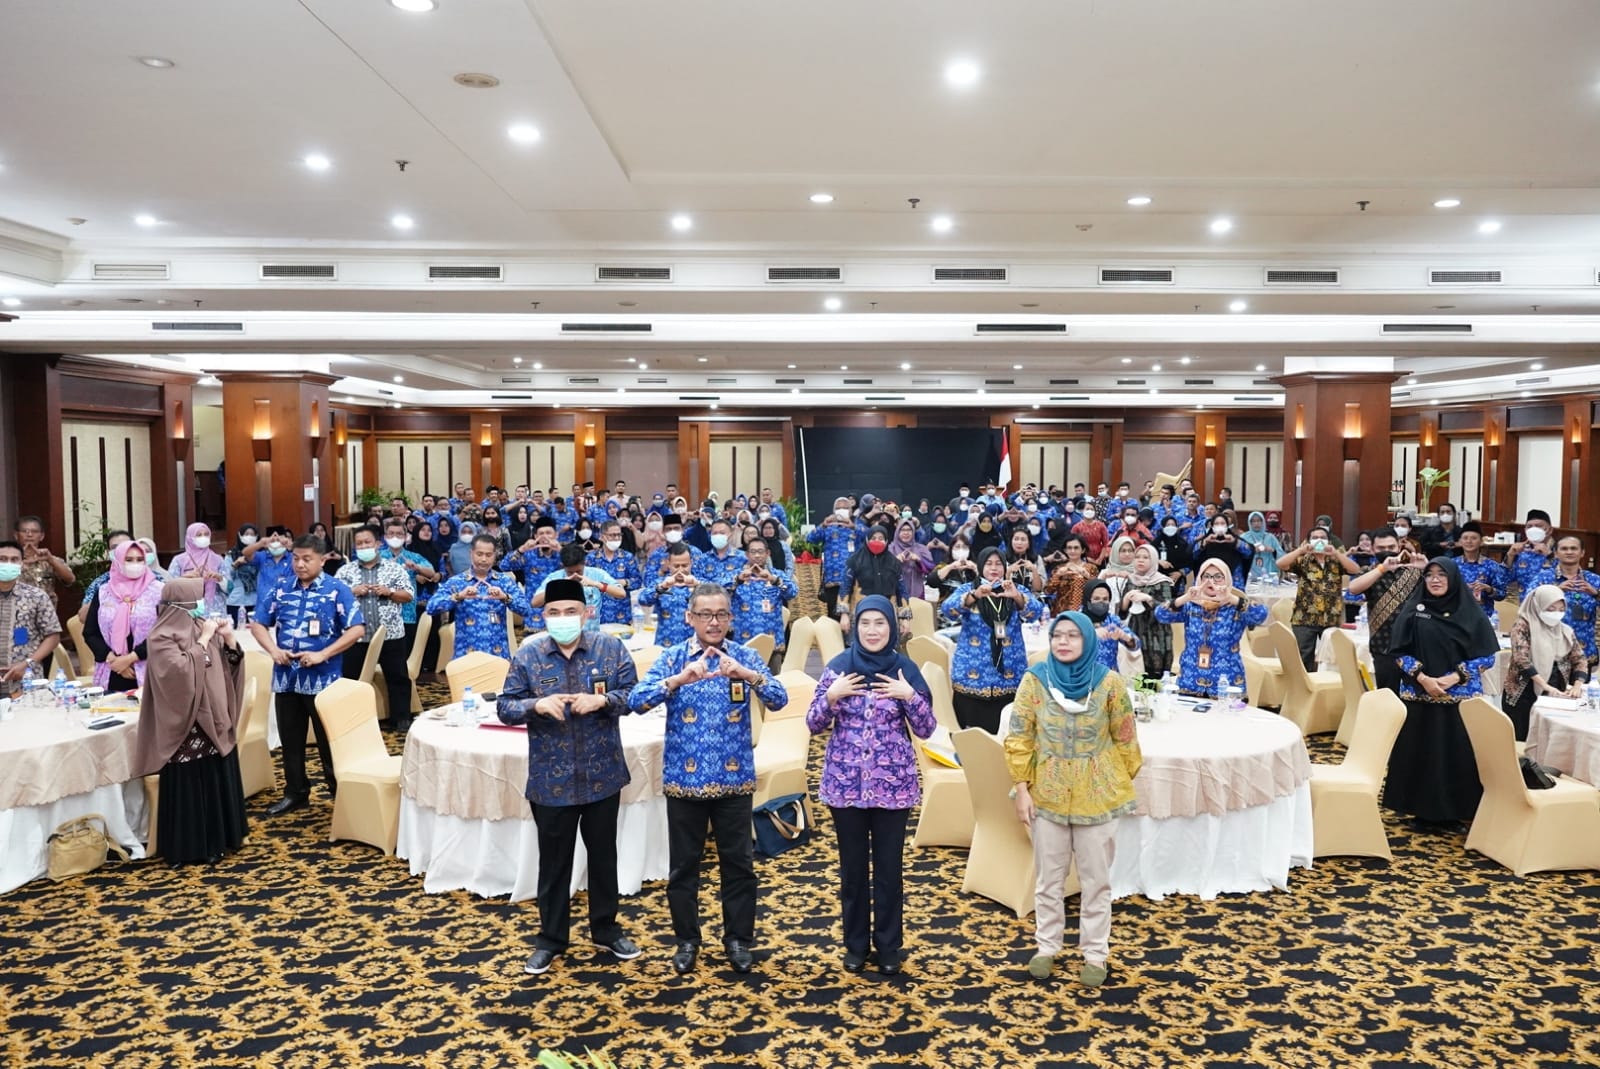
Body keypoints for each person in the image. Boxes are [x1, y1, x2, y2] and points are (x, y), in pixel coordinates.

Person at [631, 582, 788, 975]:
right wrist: (678, 680)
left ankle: (738, 940)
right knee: (684, 868)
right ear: (690, 618)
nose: (713, 622)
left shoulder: (744, 656)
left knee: (740, 865)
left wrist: (748, 675)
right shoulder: (674, 658)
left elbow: (780, 699)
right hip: (684, 781)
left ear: (731, 618)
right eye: (705, 614)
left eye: (721, 614)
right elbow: (637, 700)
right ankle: (687, 940)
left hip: (734, 780)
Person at [494, 578, 642, 975]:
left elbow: (634, 695)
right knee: (554, 863)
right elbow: (505, 707)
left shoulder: (610, 649)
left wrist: (604, 700)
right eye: (554, 613)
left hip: (602, 774)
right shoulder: (529, 655)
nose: (562, 618)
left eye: (570, 611)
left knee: (604, 856)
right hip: (551, 779)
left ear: (586, 613)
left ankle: (606, 929)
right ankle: (552, 938)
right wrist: (536, 705)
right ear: (544, 616)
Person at [1005, 611, 1141, 988]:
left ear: (1087, 640)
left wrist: (1110, 780)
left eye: (1072, 635)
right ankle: (1046, 946)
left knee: (1096, 880)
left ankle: (1095, 953)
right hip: (1046, 791)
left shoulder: (1109, 683)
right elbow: (1019, 736)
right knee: (1049, 878)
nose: (1063, 642)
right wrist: (1022, 788)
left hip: (1097, 793)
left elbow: (1126, 739)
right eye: (1057, 635)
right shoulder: (1035, 680)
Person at [806, 595, 936, 975]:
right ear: (855, 626)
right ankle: (856, 945)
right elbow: (813, 723)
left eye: (880, 623)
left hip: (893, 787)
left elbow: (927, 729)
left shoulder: (904, 670)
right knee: (853, 871)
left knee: (889, 871)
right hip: (845, 785)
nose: (873, 630)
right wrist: (831, 697)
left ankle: (889, 946)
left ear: (892, 627)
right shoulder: (838, 667)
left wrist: (909, 697)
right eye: (865, 623)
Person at [134, 578, 249, 864]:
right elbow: (177, 672)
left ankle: (222, 839)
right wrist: (204, 641)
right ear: (182, 603)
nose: (201, 605)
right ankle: (192, 847)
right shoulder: (161, 636)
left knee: (215, 775)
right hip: (187, 723)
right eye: (196, 599)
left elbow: (225, 665)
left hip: (214, 718)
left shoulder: (200, 626)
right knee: (191, 783)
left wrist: (228, 639)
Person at [249, 536, 365, 815]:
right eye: (296, 558)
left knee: (329, 741)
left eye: (307, 559)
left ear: (322, 560)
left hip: (323, 679)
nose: (300, 564)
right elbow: (258, 624)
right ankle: (296, 792)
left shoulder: (337, 589)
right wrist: (273, 650)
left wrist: (323, 654)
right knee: (291, 739)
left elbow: (356, 629)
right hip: (286, 678)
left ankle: (339, 793)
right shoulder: (281, 588)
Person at [1385, 557, 1502, 829]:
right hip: (1419, 694)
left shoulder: (1471, 612)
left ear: (1454, 578)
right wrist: (1423, 678)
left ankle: (1456, 812)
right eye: (1429, 574)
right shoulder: (1414, 610)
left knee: (1456, 753)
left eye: (1442, 574)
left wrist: (1453, 678)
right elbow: (1398, 651)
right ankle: (1420, 811)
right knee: (1421, 751)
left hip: (1460, 698)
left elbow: (1487, 656)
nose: (1435, 579)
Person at [939, 547, 1046, 733]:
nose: (994, 568)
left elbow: (1035, 613)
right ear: (981, 566)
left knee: (1007, 732)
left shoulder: (1014, 589)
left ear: (1005, 567)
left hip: (1009, 674)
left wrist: (1017, 597)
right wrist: (974, 596)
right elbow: (948, 610)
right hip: (972, 674)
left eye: (998, 564)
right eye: (988, 564)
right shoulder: (969, 589)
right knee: (971, 735)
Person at [335, 525, 416, 731]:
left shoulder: (394, 568)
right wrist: (352, 591)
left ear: (377, 544)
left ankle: (401, 718)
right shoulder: (345, 571)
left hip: (390, 634)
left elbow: (408, 595)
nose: (364, 547)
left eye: (367, 543)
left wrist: (390, 592)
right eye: (359, 544)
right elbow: (333, 599)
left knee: (397, 677)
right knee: (350, 680)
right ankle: (352, 723)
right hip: (355, 636)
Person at [1155, 558, 1267, 698]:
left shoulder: (1235, 607)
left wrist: (1232, 598)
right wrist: (1186, 597)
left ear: (1227, 580)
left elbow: (1260, 615)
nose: (1211, 581)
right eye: (1206, 576)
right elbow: (1161, 614)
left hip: (1226, 682)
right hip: (1191, 680)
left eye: (1218, 577)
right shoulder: (1191, 605)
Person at [1503, 585, 1590, 741]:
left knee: (1550, 736)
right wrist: (1544, 686)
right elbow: (1521, 659)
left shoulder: (1565, 630)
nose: (1556, 614)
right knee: (1523, 736)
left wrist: (1577, 686)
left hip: (1556, 690)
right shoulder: (1523, 625)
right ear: (1538, 606)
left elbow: (1580, 659)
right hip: (1525, 689)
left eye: (1561, 609)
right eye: (1550, 609)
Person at [1348, 527, 1428, 694]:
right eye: (1381, 548)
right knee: (1388, 696)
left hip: (1415, 645)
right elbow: (1353, 588)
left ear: (1399, 546)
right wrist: (1382, 569)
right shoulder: (1370, 572)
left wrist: (1426, 569)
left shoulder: (1414, 570)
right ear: (1372, 549)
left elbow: (1443, 591)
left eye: (1391, 547)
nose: (1387, 551)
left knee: (1415, 697)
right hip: (1383, 646)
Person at [426, 534, 531, 660]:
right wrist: (459, 596)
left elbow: (526, 609)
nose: (483, 559)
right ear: (471, 554)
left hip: (497, 655)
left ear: (495, 556)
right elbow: (431, 608)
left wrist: (505, 597)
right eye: (479, 554)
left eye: (488, 555)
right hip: (466, 655)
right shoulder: (457, 582)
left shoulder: (504, 581)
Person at [1276, 525, 1362, 671]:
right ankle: (1304, 684)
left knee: (1332, 657)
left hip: (1331, 617)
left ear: (1329, 541)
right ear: (1309, 541)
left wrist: (1337, 553)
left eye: (1323, 538)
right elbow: (1280, 564)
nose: (1319, 540)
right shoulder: (1303, 559)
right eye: (1315, 538)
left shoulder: (1335, 560)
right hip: (1305, 617)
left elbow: (1355, 569)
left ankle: (1327, 683)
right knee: (1303, 657)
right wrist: (1301, 550)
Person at [83, 540, 164, 692]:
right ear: (118, 561)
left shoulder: (159, 591)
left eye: (140, 559)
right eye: (129, 560)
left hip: (149, 666)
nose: (135, 564)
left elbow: (164, 631)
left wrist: (130, 658)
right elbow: (90, 633)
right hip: (112, 670)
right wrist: (114, 661)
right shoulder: (103, 592)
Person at [0, 539, 61, 692]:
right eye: (2, 559)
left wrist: (28, 663)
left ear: (22, 564)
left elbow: (53, 635)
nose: (8, 564)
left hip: (26, 681)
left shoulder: (37, 596)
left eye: (14, 560)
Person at [1533, 535, 1600, 668]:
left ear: (1582, 553)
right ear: (1556, 553)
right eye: (1564, 549)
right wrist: (1555, 590)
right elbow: (1528, 603)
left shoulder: (1594, 580)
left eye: (1573, 548)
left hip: (1583, 649)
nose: (1569, 552)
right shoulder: (1543, 577)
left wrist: (1596, 594)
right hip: (1550, 650)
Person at [729, 538, 796, 668]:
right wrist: (738, 580)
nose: (757, 556)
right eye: (753, 552)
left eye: (760, 552)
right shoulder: (737, 575)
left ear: (767, 553)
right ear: (747, 554)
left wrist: (774, 580)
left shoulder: (777, 575)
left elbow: (792, 592)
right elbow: (721, 590)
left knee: (773, 678)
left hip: (772, 643)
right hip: (743, 643)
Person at [531, 542, 628, 631]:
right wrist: (559, 585)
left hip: (591, 632)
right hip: (563, 632)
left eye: (578, 571)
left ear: (584, 563)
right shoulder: (554, 577)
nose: (575, 575)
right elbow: (535, 603)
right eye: (570, 572)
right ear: (563, 566)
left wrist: (596, 584)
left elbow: (621, 593)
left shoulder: (597, 574)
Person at [1120, 544, 1175, 680]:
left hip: (1157, 632)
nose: (1140, 560)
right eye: (1137, 557)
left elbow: (1168, 610)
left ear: (1154, 560)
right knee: (1136, 673)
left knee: (1154, 675)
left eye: (1145, 557)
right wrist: (1126, 599)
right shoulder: (1131, 580)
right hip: (1136, 628)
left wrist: (1148, 599)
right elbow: (1122, 613)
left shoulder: (1162, 581)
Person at [808, 498, 866, 620]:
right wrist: (823, 525)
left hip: (853, 579)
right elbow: (810, 538)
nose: (842, 510)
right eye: (839, 508)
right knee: (834, 616)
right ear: (834, 511)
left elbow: (869, 535)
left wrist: (853, 526)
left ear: (851, 511)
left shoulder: (857, 525)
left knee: (853, 615)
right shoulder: (828, 527)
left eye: (845, 508)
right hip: (832, 581)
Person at [639, 542, 700, 647]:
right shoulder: (661, 583)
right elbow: (643, 599)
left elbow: (718, 596)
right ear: (668, 563)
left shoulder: (700, 583)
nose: (680, 570)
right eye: (676, 566)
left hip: (693, 645)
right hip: (665, 644)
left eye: (684, 565)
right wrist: (662, 587)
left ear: (691, 563)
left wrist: (698, 585)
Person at [841, 526, 904, 627]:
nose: (877, 541)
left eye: (881, 538)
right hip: (860, 613)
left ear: (886, 541)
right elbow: (845, 587)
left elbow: (902, 590)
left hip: (887, 613)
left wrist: (904, 618)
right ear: (867, 539)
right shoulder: (855, 561)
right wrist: (844, 614)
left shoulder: (894, 563)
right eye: (873, 538)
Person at [166, 522, 233, 617]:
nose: (203, 537)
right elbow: (169, 588)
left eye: (206, 534)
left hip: (215, 611)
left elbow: (230, 588)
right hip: (188, 611)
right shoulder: (179, 560)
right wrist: (185, 578)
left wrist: (220, 579)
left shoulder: (217, 559)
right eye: (199, 535)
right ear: (190, 537)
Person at [588, 520, 643, 625]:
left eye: (619, 535)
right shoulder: (592, 558)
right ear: (602, 537)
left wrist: (625, 582)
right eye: (612, 535)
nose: (616, 538)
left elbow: (638, 581)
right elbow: (586, 583)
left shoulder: (627, 557)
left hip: (623, 613)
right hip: (599, 614)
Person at [78, 530, 137, 624]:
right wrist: (105, 594)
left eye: (125, 546)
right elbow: (83, 618)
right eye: (115, 547)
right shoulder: (100, 583)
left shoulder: (154, 579)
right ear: (109, 552)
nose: (120, 550)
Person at [1081, 580, 1139, 673]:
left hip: (1109, 675)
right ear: (1087, 600)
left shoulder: (1113, 620)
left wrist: (1127, 638)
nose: (1101, 602)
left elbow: (1136, 645)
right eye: (1096, 598)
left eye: (1105, 599)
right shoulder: (1076, 620)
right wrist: (1091, 633)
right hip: (1084, 675)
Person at [1506, 509, 1556, 599]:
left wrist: (1550, 555)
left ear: (1550, 530)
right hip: (1526, 604)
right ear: (1525, 530)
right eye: (1529, 526)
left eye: (1538, 526)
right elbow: (1504, 580)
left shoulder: (1562, 550)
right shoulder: (1521, 553)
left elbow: (1569, 576)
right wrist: (1510, 556)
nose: (1533, 529)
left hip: (1552, 603)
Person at [1042, 536, 1098, 615]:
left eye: (1076, 548)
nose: (1072, 551)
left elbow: (1097, 590)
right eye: (1069, 548)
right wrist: (1057, 575)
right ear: (1065, 550)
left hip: (1084, 612)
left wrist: (1087, 576)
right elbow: (1047, 591)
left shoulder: (1091, 568)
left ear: (1083, 550)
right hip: (1061, 612)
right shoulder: (1059, 568)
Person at [891, 519, 934, 602]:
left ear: (913, 531)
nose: (906, 533)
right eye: (902, 530)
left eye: (909, 530)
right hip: (895, 593)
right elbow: (883, 570)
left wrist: (918, 560)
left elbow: (931, 568)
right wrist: (895, 561)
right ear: (897, 532)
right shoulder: (891, 549)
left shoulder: (921, 549)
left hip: (917, 592)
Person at [1239, 511, 1286, 583]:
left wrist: (1272, 550)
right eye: (1253, 521)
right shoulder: (1244, 537)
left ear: (1263, 522)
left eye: (1258, 521)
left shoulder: (1270, 537)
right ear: (1250, 523)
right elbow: (1238, 554)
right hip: (1249, 573)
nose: (1256, 524)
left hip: (1269, 573)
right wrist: (1252, 550)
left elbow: (1282, 556)